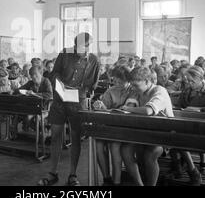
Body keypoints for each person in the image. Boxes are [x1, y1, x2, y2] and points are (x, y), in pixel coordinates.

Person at [38, 33, 100, 186]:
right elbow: (54, 74)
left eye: (85, 47)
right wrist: (58, 82)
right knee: (56, 135)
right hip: (60, 100)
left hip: (78, 102)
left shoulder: (94, 60)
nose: (82, 50)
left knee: (75, 137)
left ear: (89, 46)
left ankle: (73, 175)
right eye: (79, 47)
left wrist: (85, 90)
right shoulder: (65, 54)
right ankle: (53, 173)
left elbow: (94, 84)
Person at [119, 67, 174, 186]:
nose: (133, 88)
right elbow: (130, 103)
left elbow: (149, 110)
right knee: (125, 150)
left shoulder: (160, 91)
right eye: (132, 85)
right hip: (143, 133)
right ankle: (139, 184)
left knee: (150, 154)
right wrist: (130, 104)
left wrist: (129, 108)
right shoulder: (138, 91)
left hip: (163, 135)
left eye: (136, 85)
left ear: (148, 81)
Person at [93, 65, 135, 186]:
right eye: (114, 81)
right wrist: (100, 106)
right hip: (110, 125)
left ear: (127, 80)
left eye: (120, 81)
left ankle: (117, 181)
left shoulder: (133, 90)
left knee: (114, 145)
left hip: (125, 127)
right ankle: (107, 178)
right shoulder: (110, 91)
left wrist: (108, 110)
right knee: (98, 146)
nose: (116, 84)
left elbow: (130, 109)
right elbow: (104, 108)